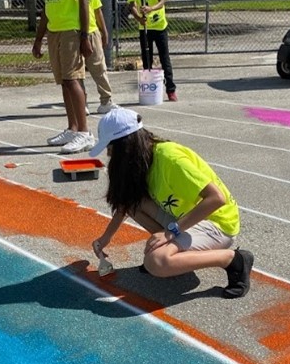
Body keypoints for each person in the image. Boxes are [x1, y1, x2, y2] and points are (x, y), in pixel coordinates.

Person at [90, 108, 253, 298]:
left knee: (156, 262)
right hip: (186, 218)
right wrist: (105, 239)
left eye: (110, 147)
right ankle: (174, 255)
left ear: (126, 144)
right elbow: (125, 203)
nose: (109, 154)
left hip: (217, 223)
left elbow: (216, 199)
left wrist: (170, 232)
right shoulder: (142, 158)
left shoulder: (170, 159)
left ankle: (233, 260)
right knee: (134, 201)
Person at [31, 0, 97, 154]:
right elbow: (48, 4)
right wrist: (39, 38)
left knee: (73, 79)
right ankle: (72, 127)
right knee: (63, 82)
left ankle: (84, 133)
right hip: (54, 30)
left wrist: (84, 35)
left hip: (71, 29)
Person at [127, 0, 177, 101]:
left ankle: (171, 89)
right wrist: (138, 18)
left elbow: (162, 2)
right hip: (145, 28)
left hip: (160, 26)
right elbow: (132, 5)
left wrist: (150, 8)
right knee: (146, 58)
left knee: (164, 58)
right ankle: (150, 88)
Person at [83, 0, 116, 114]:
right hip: (73, 32)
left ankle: (106, 100)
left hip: (92, 31)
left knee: (99, 67)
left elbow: (97, 10)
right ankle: (81, 103)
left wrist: (104, 31)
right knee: (77, 72)